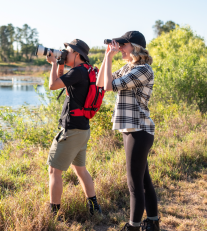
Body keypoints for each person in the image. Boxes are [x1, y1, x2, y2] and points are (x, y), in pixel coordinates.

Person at [97, 31, 160, 231]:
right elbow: (100, 82)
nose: (120, 48)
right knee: (143, 180)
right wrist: (107, 56)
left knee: (134, 184)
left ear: (135, 47)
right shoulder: (129, 67)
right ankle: (152, 222)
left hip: (139, 130)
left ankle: (133, 227)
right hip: (131, 130)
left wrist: (109, 57)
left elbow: (109, 86)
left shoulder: (143, 69)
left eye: (123, 45)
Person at [46, 39, 102, 217]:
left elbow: (53, 85)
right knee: (80, 169)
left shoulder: (77, 72)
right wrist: (60, 64)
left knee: (54, 170)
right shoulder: (85, 71)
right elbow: (61, 80)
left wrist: (54, 63)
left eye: (67, 51)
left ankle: (53, 213)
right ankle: (94, 208)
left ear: (77, 54)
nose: (64, 53)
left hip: (72, 131)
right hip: (82, 129)